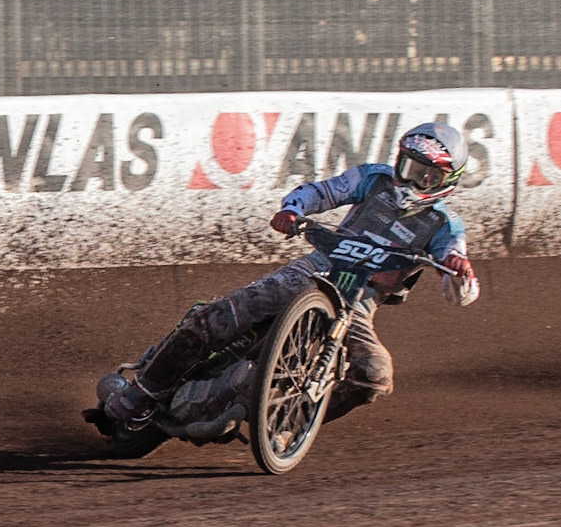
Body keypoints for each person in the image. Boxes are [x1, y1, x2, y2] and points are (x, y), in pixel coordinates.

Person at [99, 123, 479, 433]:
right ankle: (142, 393)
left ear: (445, 181)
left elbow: (460, 287)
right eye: (408, 167)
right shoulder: (373, 178)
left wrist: (460, 272)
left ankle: (288, 422)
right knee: (222, 315)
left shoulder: (444, 225)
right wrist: (293, 209)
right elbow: (324, 192)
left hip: (359, 300)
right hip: (314, 270)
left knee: (374, 375)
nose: (411, 180)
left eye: (425, 175)